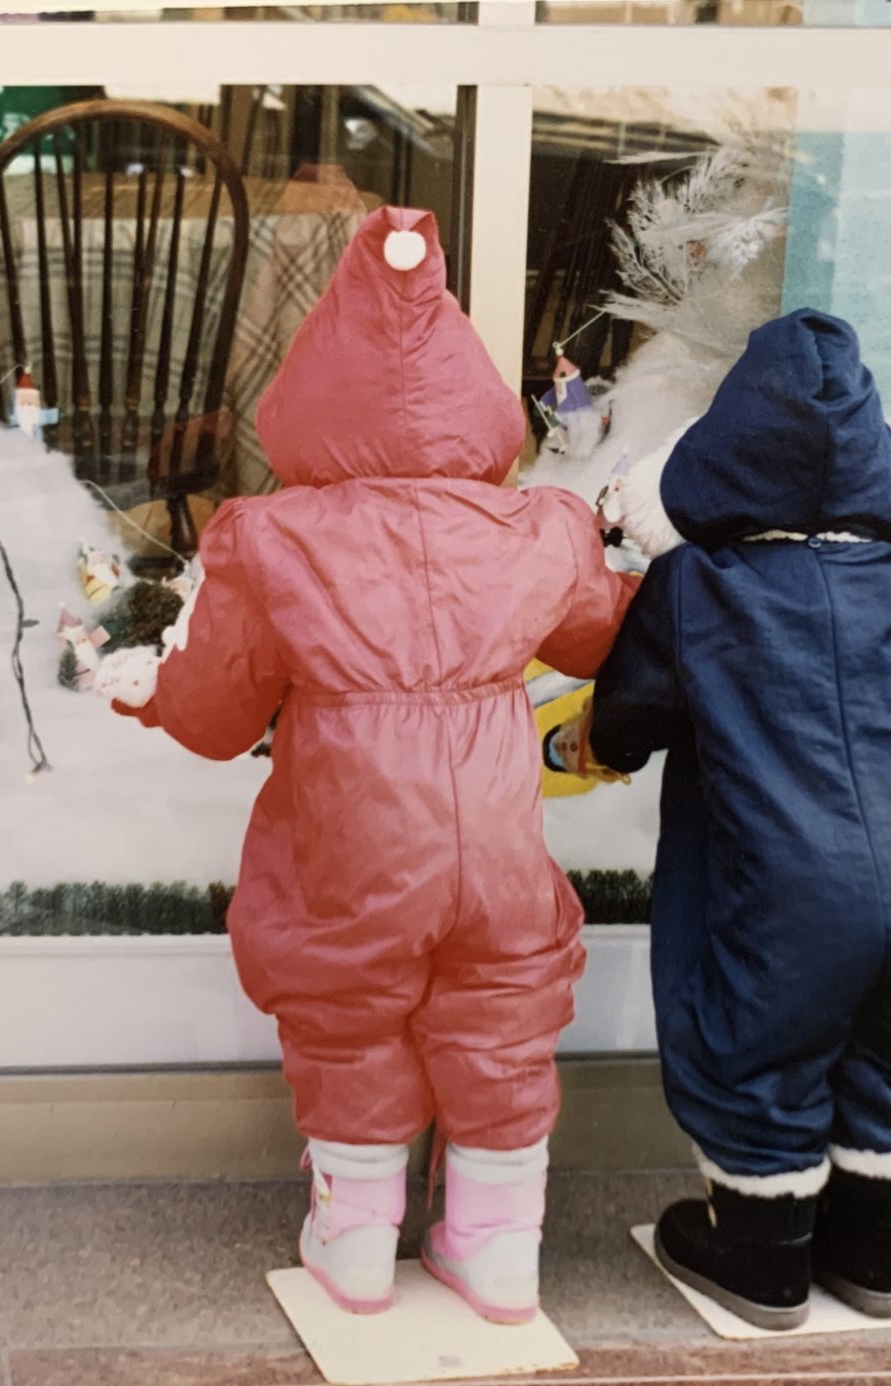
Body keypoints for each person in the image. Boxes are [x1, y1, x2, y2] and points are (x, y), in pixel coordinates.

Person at [100, 207, 636, 1324]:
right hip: (492, 842)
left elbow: (214, 709)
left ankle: (352, 1241)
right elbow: (595, 636)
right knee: (500, 1005)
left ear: (311, 395)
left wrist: (152, 695)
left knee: (346, 1006)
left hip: (349, 837)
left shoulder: (273, 539)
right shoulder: (534, 529)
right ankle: (496, 1249)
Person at [578, 310, 891, 1330]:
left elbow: (629, 711)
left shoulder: (699, 588)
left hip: (773, 888)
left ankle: (759, 1258)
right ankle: (879, 1261)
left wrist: (599, 746)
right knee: (881, 1062)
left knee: (755, 1052)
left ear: (719, 463)